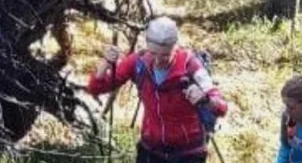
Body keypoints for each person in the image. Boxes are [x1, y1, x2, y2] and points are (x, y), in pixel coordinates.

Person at [88, 17, 228, 163]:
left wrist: (205, 99)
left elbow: (222, 107)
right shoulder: (138, 63)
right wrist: (106, 63)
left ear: (175, 47)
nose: (158, 60)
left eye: (166, 55)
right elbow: (96, 87)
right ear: (147, 45)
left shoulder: (191, 65)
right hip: (151, 150)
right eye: (154, 53)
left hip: (188, 152)